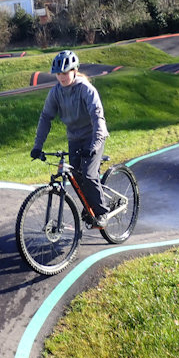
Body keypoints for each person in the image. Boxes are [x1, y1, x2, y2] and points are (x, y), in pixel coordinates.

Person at [30, 50, 110, 227]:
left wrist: (95, 144)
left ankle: (102, 213)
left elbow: (97, 117)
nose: (62, 77)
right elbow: (45, 118)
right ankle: (89, 204)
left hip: (93, 135)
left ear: (75, 70)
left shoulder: (86, 89)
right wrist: (38, 146)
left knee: (88, 175)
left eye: (65, 72)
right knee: (75, 175)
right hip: (74, 138)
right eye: (58, 74)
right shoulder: (56, 92)